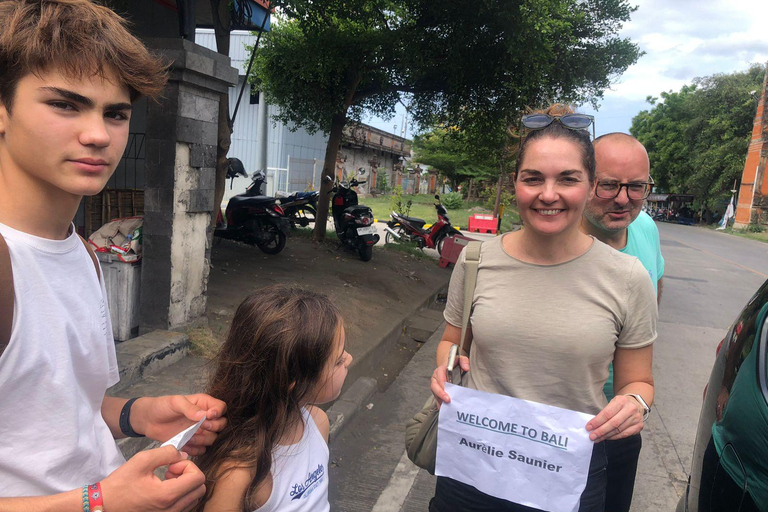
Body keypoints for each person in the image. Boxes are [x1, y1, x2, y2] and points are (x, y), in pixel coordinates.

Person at [0, 1, 226, 510]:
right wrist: (98, 502)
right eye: (65, 105)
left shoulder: (82, 252)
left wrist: (140, 415)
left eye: (116, 114)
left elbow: (58, 412)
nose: (98, 135)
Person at [429, 106, 658, 512]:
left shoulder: (628, 277)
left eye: (567, 179)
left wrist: (635, 404)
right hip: (473, 465)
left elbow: (638, 382)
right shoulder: (476, 260)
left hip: (568, 474)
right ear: (515, 184)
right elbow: (452, 341)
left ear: (590, 186)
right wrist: (444, 368)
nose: (548, 194)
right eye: (533, 178)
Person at [193, 285, 352, 512]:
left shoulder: (318, 423)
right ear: (293, 380)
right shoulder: (237, 474)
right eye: (338, 360)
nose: (349, 359)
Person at [581, 133, 664, 512]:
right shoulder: (556, 243)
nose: (622, 199)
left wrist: (634, 396)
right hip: (557, 419)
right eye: (609, 184)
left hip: (620, 421)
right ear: (584, 179)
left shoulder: (646, 227)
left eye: (636, 186)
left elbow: (655, 290)